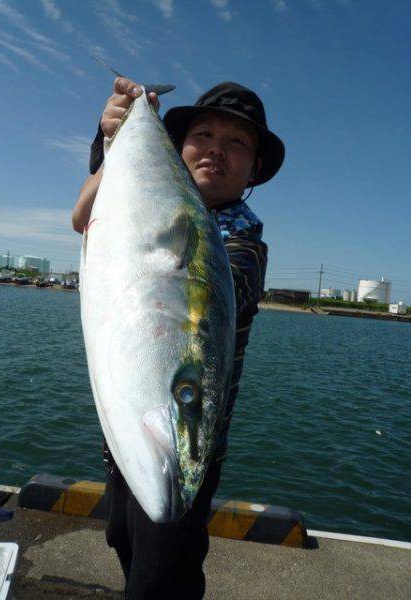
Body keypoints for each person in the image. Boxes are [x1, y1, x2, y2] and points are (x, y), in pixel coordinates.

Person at [72, 78, 284, 599]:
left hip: (185, 449)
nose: (216, 148)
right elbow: (83, 218)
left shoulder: (243, 245)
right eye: (204, 134)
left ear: (253, 168)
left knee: (163, 580)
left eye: (237, 143)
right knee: (121, 535)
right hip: (128, 425)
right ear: (179, 146)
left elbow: (206, 291)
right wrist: (111, 141)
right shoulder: (144, 198)